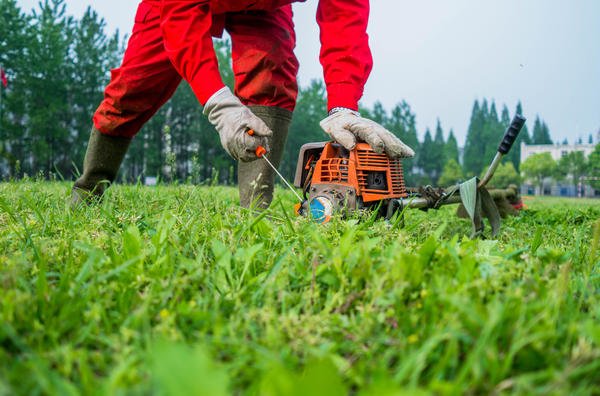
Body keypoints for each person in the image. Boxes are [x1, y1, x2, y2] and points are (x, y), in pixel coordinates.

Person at [72, 0, 415, 209]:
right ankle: (88, 191)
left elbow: (345, 16)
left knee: (272, 76)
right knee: (132, 90)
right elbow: (180, 13)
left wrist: (344, 102)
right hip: (178, 6)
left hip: (263, 7)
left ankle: (254, 211)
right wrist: (217, 100)